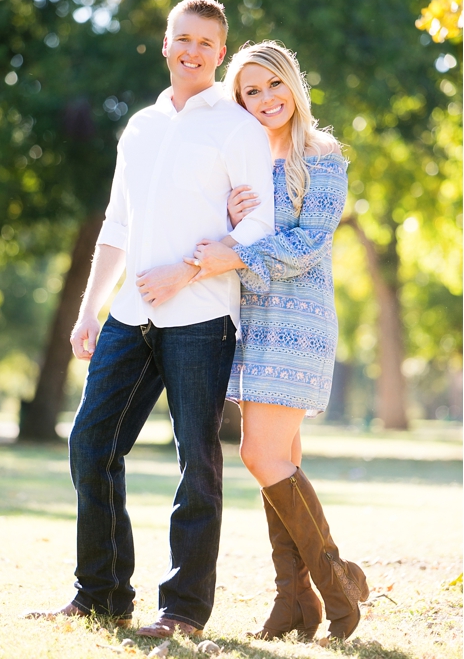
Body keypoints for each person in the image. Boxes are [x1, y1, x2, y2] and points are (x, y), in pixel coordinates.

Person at [26, 0, 276, 638]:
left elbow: (259, 227)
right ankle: (102, 593)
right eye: (182, 38)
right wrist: (89, 309)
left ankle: (184, 611)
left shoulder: (238, 128)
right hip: (130, 316)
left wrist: (187, 271)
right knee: (90, 444)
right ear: (165, 44)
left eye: (206, 43)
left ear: (221, 54)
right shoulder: (139, 127)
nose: (192, 51)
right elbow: (116, 225)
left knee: (196, 462)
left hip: (201, 317)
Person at [179, 40, 368, 641]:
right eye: (250, 92)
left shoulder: (324, 159)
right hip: (250, 318)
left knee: (258, 456)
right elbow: (213, 235)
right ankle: (295, 604)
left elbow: (307, 243)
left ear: (294, 84)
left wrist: (236, 250)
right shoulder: (238, 159)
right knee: (280, 459)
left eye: (273, 85)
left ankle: (336, 586)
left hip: (300, 319)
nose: (265, 100)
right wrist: (231, 227)